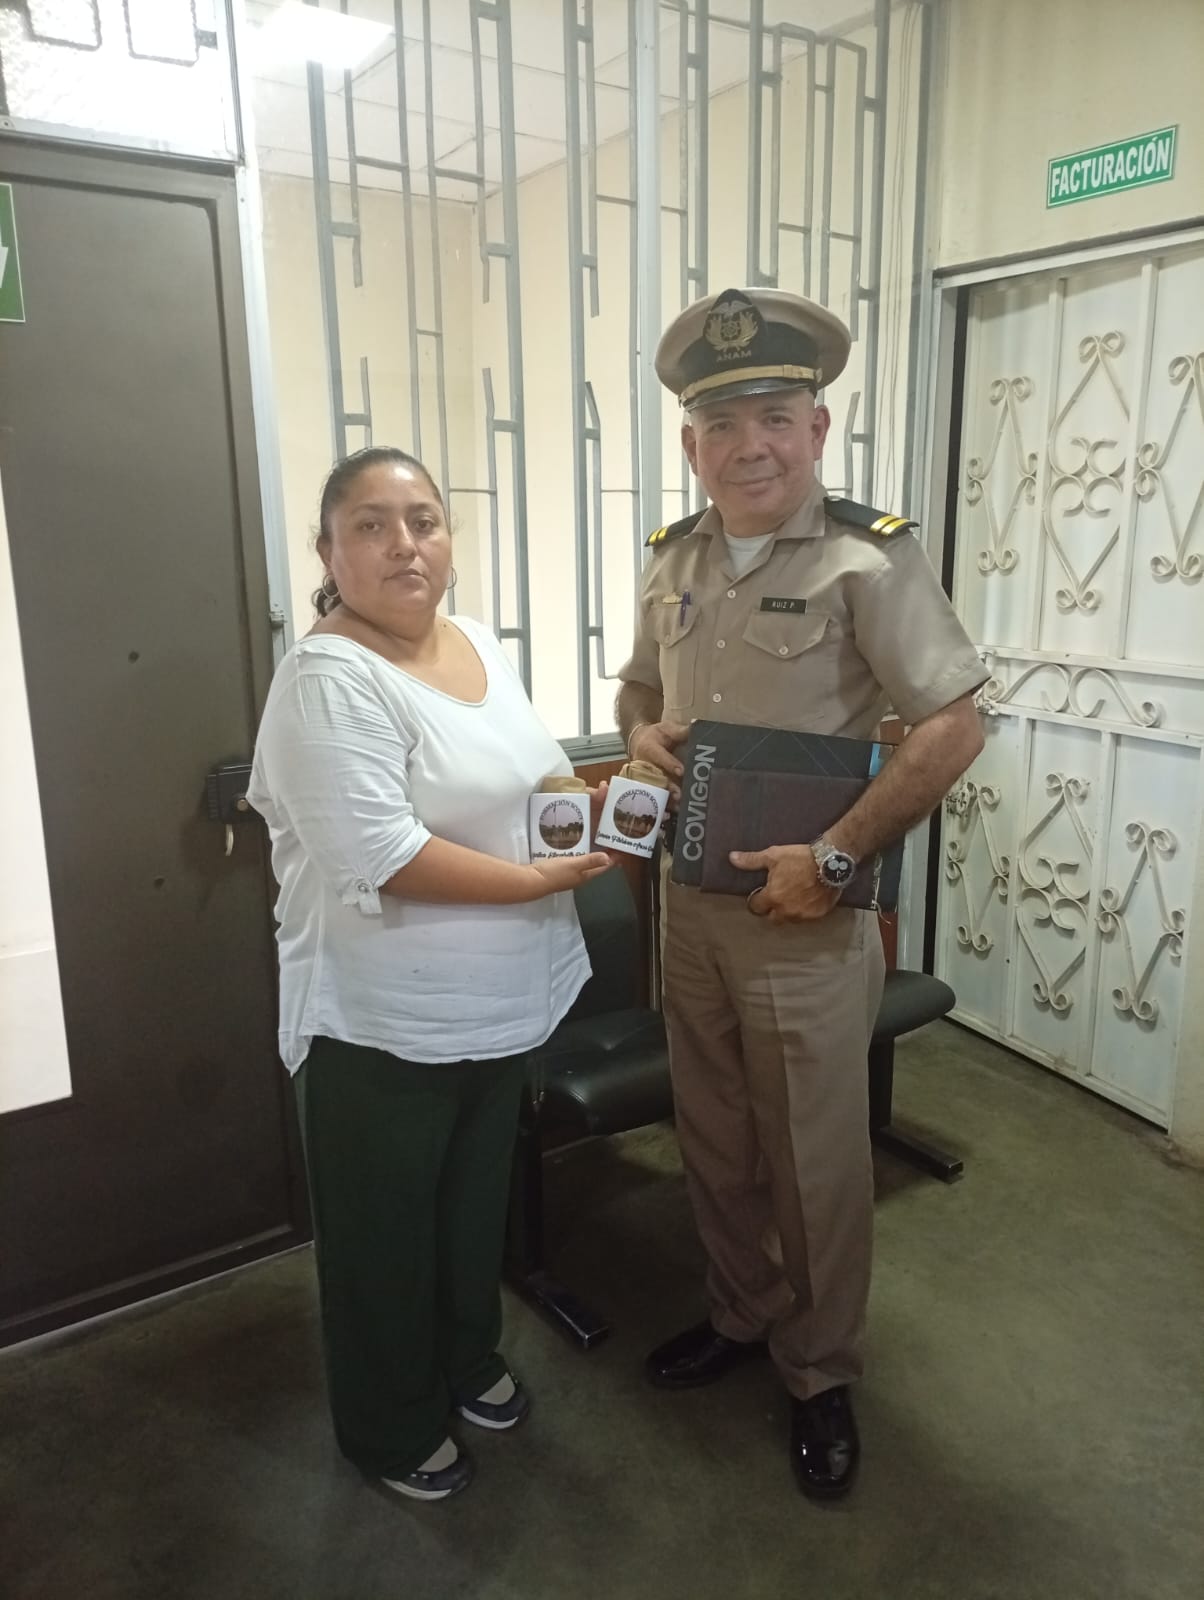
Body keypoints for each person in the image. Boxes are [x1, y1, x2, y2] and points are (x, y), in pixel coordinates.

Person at [616, 287, 988, 1499]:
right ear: (691, 445)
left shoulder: (867, 558)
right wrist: (640, 737)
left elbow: (953, 723)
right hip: (690, 914)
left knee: (814, 1164)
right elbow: (636, 691)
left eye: (775, 417)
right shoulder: (672, 558)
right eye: (722, 426)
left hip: (806, 923)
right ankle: (740, 1312)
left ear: (816, 429)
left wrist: (833, 861)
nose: (751, 447)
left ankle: (818, 1370)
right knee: (714, 1138)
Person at [248, 446, 611, 1503]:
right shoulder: (327, 679)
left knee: (466, 1211)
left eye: (424, 520)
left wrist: (588, 801)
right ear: (328, 552)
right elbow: (384, 852)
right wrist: (538, 877)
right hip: (382, 1023)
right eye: (370, 525)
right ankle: (390, 1422)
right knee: (382, 1240)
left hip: (498, 1006)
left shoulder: (477, 641)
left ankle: (465, 1356)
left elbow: (533, 767)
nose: (404, 544)